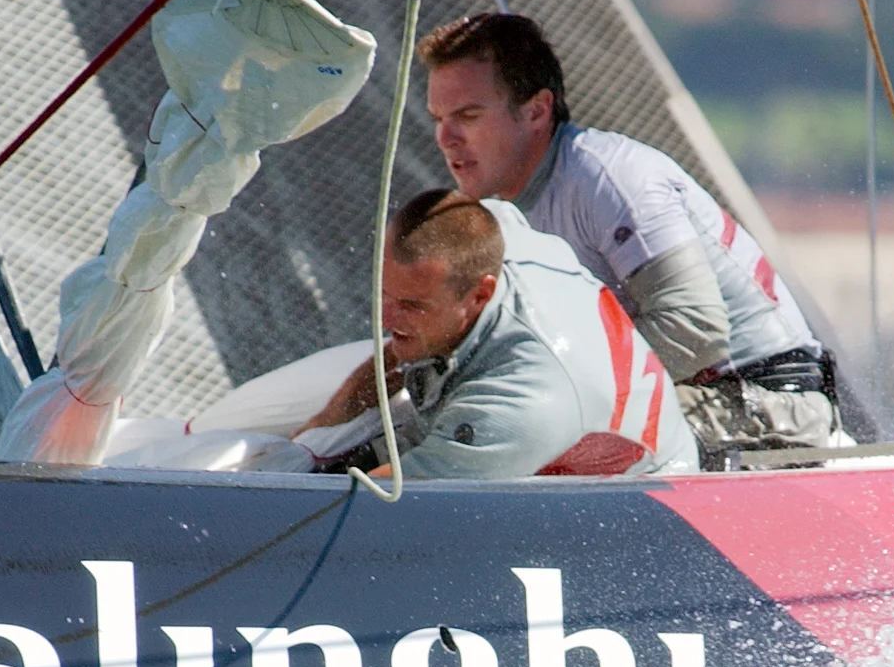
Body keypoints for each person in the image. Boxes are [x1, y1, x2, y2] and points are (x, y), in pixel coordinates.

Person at [416, 13, 839, 468]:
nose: (445, 138)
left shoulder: (608, 177)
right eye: (438, 118)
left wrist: (561, 388)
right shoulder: (503, 214)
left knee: (538, 434)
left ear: (537, 111)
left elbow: (696, 329)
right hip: (687, 398)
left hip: (769, 401)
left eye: (468, 116)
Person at [299, 189, 700, 479]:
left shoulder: (521, 405)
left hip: (641, 496)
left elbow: (373, 504)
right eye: (384, 292)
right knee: (312, 443)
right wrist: (321, 422)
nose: (385, 318)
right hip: (520, 401)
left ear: (481, 294)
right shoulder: (489, 229)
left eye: (412, 305)